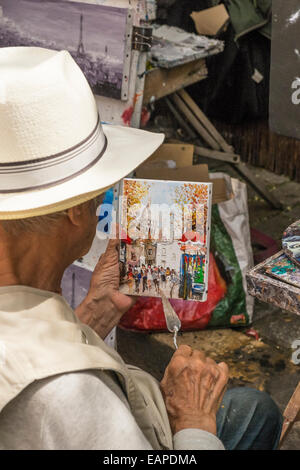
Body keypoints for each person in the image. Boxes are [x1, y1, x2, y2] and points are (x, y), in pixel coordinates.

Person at [0, 47, 282, 450]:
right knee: (254, 411)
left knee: (252, 408)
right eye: (100, 192)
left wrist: (91, 319)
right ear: (77, 211)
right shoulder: (72, 394)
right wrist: (194, 421)